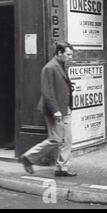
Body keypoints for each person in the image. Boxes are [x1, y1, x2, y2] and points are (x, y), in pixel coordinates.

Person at [19, 41, 77, 177]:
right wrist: (55, 110)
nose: (70, 57)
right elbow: (47, 92)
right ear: (59, 53)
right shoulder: (49, 68)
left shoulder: (61, 65)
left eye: (71, 55)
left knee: (67, 139)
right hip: (55, 110)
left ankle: (61, 168)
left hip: (65, 108)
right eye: (68, 55)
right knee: (56, 139)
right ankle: (28, 157)